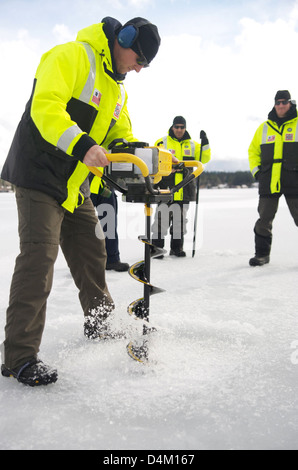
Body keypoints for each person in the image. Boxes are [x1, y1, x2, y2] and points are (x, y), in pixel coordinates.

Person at [0, 17, 160, 386]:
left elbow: (121, 137)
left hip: (75, 186)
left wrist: (148, 157)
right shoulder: (71, 57)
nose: (138, 69)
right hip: (39, 175)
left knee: (92, 250)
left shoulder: (117, 92)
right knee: (39, 256)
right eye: (138, 59)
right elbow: (46, 108)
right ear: (124, 38)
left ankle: (100, 323)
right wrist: (83, 145)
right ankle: (19, 356)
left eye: (144, 65)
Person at [248, 90, 298, 266]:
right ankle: (262, 255)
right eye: (278, 102)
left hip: (295, 180)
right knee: (264, 219)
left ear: (290, 103)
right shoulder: (264, 127)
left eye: (284, 102)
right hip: (269, 180)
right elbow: (253, 151)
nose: (281, 105)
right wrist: (257, 172)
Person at [151, 116, 211, 257]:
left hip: (185, 189)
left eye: (181, 127)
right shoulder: (162, 142)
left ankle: (177, 249)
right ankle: (156, 249)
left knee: (180, 221)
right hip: (165, 188)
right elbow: (154, 161)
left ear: (185, 128)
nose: (179, 129)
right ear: (172, 127)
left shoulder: (193, 145)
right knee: (161, 219)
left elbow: (204, 158)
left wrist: (205, 143)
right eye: (176, 127)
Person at [90, 187, 129, 272]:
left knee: (109, 223)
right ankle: (80, 262)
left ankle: (111, 259)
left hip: (105, 184)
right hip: (84, 184)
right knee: (81, 225)